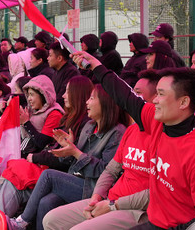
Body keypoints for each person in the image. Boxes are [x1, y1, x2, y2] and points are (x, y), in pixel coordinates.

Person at [74, 51, 195, 230]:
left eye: (161, 94)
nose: (154, 100)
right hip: (153, 221)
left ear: (183, 102)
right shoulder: (157, 122)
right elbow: (125, 97)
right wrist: (96, 66)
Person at [42, 79, 158, 230]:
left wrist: (111, 205)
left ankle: (20, 222)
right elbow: (110, 170)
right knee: (51, 218)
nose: (132, 100)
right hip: (106, 195)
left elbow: (157, 192)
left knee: (48, 177)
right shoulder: (125, 130)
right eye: (132, 93)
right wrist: (96, 198)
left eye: (138, 94)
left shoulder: (124, 132)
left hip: (133, 209)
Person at [7, 85, 127, 230]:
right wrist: (67, 148)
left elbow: (105, 171)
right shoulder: (89, 126)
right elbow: (73, 161)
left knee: (48, 175)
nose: (87, 102)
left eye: (92, 98)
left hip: (94, 188)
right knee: (46, 202)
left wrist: (75, 152)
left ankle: (21, 222)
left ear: (105, 103)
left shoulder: (118, 133)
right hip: (76, 179)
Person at [0, 77, 93, 216]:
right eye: (27, 94)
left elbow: (44, 144)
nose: (63, 95)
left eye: (31, 95)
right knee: (10, 172)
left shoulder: (57, 114)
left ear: (43, 94)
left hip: (49, 166)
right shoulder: (68, 117)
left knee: (15, 176)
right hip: (45, 161)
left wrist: (27, 125)